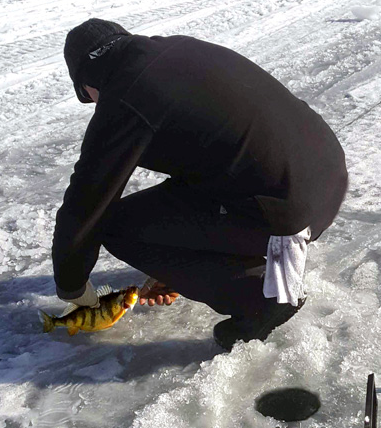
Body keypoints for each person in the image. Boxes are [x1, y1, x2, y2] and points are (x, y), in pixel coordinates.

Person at [53, 18, 348, 350]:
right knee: (189, 185)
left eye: (87, 97)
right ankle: (240, 258)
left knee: (114, 226)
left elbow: (87, 203)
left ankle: (263, 297)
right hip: (325, 178)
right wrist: (178, 263)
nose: (94, 104)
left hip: (285, 207)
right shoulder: (178, 48)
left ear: (86, 83)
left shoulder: (124, 95)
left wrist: (73, 288)